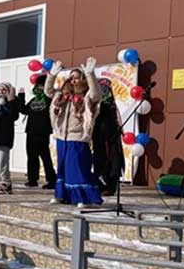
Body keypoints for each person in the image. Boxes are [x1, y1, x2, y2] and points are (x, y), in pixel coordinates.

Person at [45, 57, 104, 207]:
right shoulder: (61, 96)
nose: (73, 81)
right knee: (63, 169)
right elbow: (48, 91)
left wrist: (91, 74)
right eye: (71, 78)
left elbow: (96, 93)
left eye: (77, 78)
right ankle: (61, 196)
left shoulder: (86, 97)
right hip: (61, 138)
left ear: (82, 80)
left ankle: (83, 198)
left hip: (77, 138)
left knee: (77, 169)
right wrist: (52, 75)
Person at [18, 75, 56, 189]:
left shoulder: (49, 99)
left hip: (43, 132)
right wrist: (21, 96)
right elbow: (24, 110)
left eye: (41, 86)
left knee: (45, 156)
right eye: (37, 86)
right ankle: (32, 179)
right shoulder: (34, 100)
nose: (39, 88)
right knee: (31, 156)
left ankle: (52, 180)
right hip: (31, 131)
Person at [92, 78, 125, 196]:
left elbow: (113, 118)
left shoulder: (108, 103)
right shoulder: (95, 100)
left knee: (111, 159)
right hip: (99, 134)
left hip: (109, 134)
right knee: (100, 159)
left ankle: (110, 186)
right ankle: (100, 185)